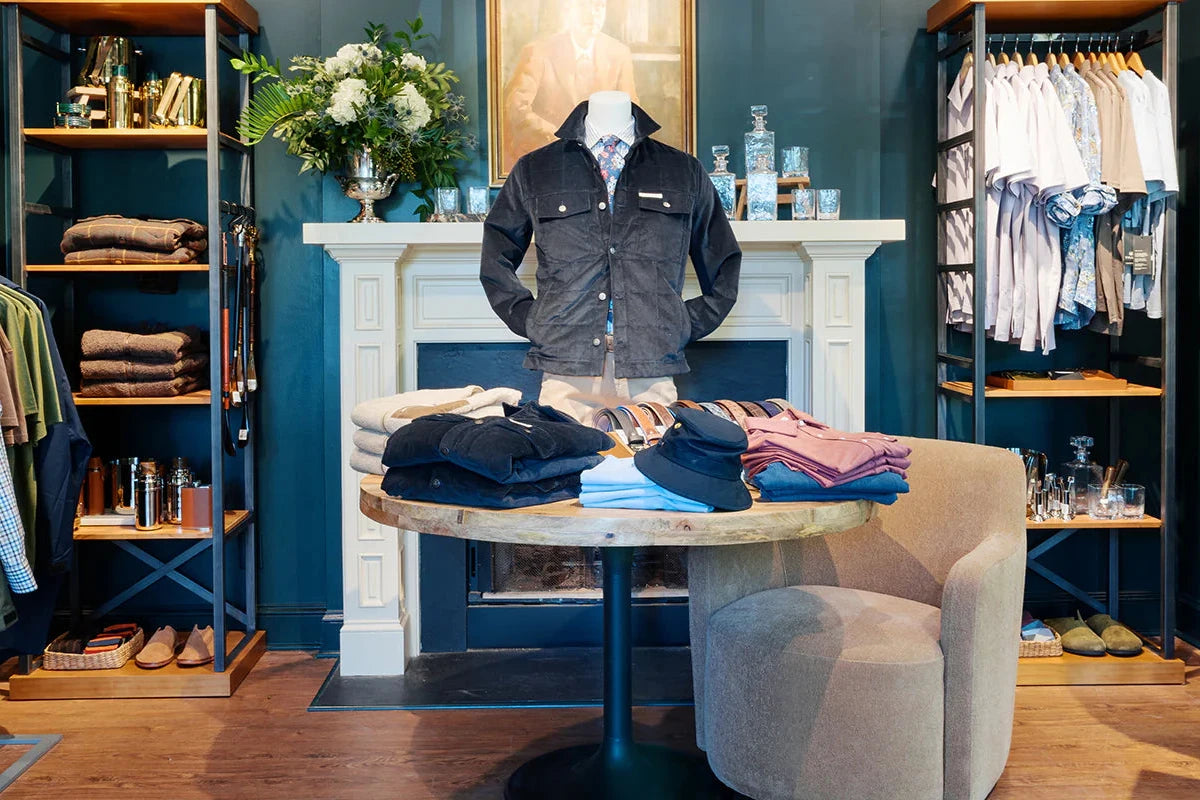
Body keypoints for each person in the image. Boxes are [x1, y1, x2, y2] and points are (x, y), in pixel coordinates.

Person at [501, 0, 639, 173]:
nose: (592, 13)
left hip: (601, 166)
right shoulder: (538, 51)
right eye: (584, 5)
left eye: (599, 7)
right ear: (568, 9)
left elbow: (632, 112)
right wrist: (561, 138)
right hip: (547, 161)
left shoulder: (619, 54)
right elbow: (516, 109)